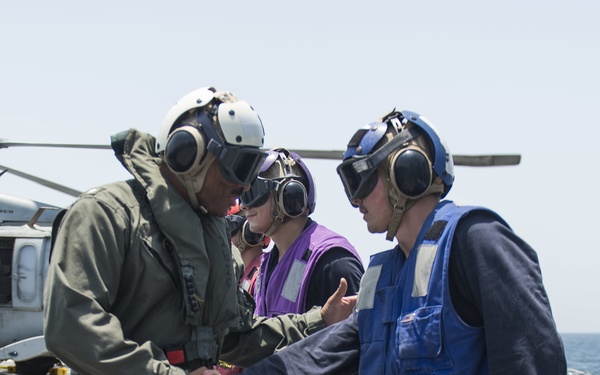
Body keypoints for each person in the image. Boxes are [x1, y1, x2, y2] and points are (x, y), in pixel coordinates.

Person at [43, 86, 356, 375]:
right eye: (239, 165)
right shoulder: (107, 215)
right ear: (188, 154)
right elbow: (71, 327)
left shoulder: (212, 235)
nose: (245, 185)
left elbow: (235, 336)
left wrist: (320, 321)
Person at [243, 109, 567, 374]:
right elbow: (321, 353)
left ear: (406, 172)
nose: (356, 201)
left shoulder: (477, 241)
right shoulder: (383, 277)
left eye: (362, 181)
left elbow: (531, 357)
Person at [239, 148, 364, 317]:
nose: (243, 206)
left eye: (252, 193)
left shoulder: (332, 262)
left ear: (288, 195)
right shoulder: (265, 267)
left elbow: (353, 337)